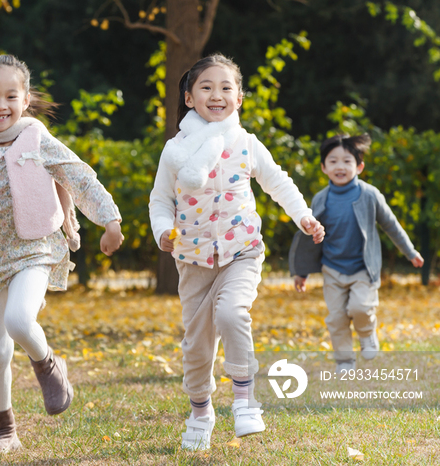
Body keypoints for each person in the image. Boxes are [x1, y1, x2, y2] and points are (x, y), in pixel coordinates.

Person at [0, 54, 124, 452]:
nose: (1, 105)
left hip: (35, 247)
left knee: (20, 320)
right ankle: (3, 426)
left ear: (26, 98)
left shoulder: (38, 139)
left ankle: (49, 364)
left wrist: (110, 220)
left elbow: (79, 176)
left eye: (10, 96)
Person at [149, 53, 324, 451]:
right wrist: (162, 229)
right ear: (189, 98)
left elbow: (279, 184)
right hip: (192, 260)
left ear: (239, 98)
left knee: (231, 313)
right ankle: (200, 411)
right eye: (206, 87)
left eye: (226, 87)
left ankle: (245, 399)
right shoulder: (175, 150)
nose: (217, 94)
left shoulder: (247, 144)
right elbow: (159, 201)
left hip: (241, 251)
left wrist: (304, 217)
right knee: (196, 346)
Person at [289, 134, 424, 373]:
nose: (340, 166)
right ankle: (344, 361)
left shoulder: (369, 194)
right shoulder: (322, 198)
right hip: (332, 268)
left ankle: (367, 333)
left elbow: (391, 225)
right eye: (333, 161)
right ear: (323, 167)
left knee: (360, 308)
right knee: (336, 318)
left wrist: (410, 251)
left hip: (364, 267)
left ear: (359, 166)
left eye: (347, 161)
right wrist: (300, 271)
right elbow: (309, 237)